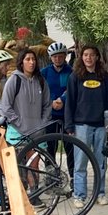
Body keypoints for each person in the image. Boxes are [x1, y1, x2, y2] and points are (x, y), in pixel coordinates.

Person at [64, 44, 108, 209]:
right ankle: (79, 195)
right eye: (85, 55)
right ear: (81, 58)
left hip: (101, 126)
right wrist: (69, 125)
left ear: (97, 57)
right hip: (81, 125)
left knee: (100, 162)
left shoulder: (105, 77)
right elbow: (70, 102)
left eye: (92, 55)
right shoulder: (75, 77)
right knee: (80, 162)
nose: (88, 58)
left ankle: (100, 193)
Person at [0, 47, 52, 145]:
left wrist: (42, 123)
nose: (32, 62)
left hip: (38, 131)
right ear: (21, 63)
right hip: (17, 131)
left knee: (35, 159)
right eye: (28, 59)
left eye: (33, 59)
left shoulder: (41, 81)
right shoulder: (14, 80)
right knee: (18, 160)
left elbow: (47, 105)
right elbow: (6, 106)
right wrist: (19, 123)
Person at [42, 41, 74, 174]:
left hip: (66, 114)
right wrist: (51, 102)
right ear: (51, 58)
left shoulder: (71, 72)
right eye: (55, 56)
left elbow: (72, 89)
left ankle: (73, 175)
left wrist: (63, 99)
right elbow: (40, 91)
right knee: (51, 146)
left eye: (60, 56)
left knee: (70, 146)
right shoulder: (44, 72)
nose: (58, 59)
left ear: (65, 56)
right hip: (51, 114)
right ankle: (51, 175)